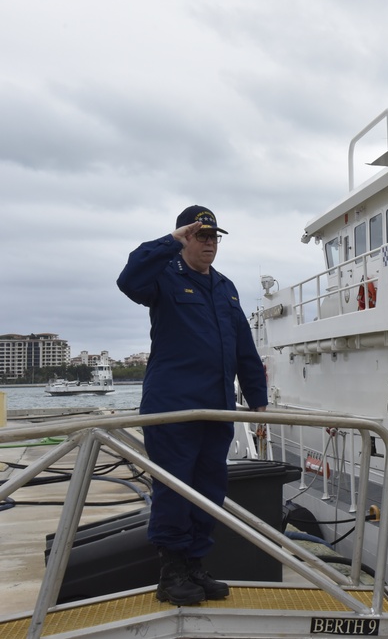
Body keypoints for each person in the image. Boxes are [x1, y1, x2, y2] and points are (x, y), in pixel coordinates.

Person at [117, 205, 268, 606]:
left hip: (216, 409)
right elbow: (128, 279)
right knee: (174, 489)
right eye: (201, 236)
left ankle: (196, 565)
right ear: (185, 237)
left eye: (214, 236)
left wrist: (259, 403)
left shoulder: (226, 287)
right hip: (174, 408)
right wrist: (169, 242)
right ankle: (171, 574)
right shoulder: (164, 277)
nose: (209, 244)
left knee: (208, 490)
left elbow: (244, 350)